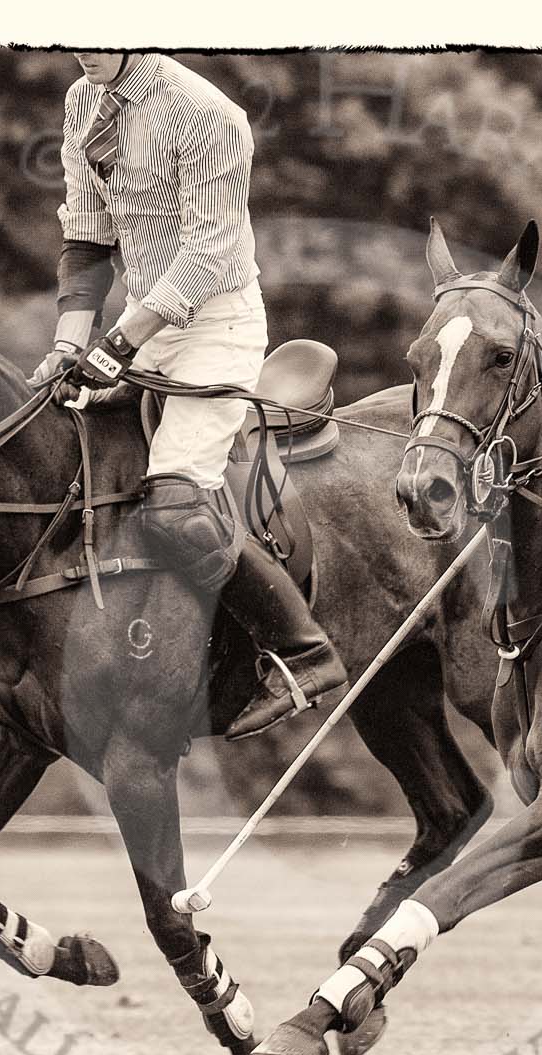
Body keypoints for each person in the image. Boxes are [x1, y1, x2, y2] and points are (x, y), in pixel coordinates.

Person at [38, 51, 346, 740]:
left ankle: (304, 651)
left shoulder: (209, 114)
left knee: (176, 504)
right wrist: (67, 343)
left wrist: (116, 346)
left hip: (215, 323)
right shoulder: (81, 103)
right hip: (137, 326)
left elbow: (209, 253)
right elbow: (86, 239)